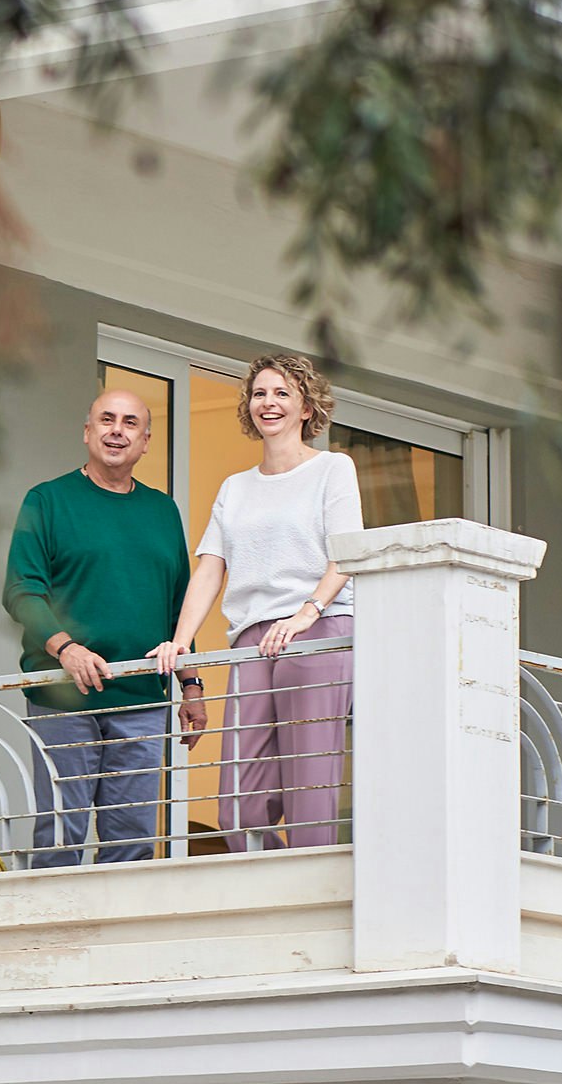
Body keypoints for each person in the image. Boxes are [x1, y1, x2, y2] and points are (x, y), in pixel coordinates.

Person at [151, 353, 362, 851]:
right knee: (240, 795)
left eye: (283, 393)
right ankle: (265, 883)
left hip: (318, 627)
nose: (269, 403)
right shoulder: (235, 487)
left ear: (307, 406)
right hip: (252, 637)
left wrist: (307, 612)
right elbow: (210, 568)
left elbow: (347, 554)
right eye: (260, 393)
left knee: (309, 779)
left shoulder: (333, 469)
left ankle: (310, 893)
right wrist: (180, 643)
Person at [3, 389, 207, 866]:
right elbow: (21, 590)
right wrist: (66, 648)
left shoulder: (162, 512)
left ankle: (119, 942)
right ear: (87, 431)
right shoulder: (48, 501)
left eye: (130, 423)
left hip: (141, 700)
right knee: (60, 835)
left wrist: (192, 684)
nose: (118, 430)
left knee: (132, 843)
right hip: (63, 696)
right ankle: (54, 939)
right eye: (107, 419)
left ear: (146, 441)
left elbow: (179, 607)